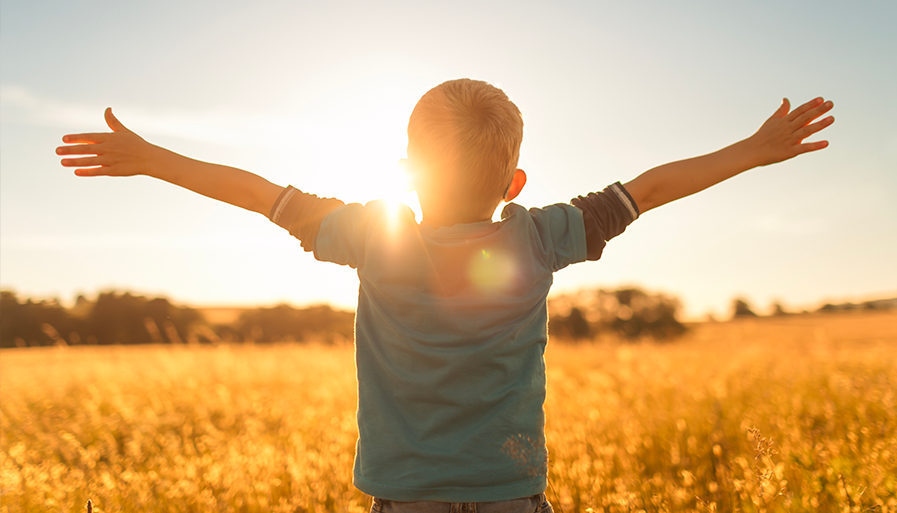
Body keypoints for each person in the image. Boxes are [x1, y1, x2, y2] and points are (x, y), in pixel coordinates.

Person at [57, 79, 834, 512]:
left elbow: (261, 194)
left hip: (406, 500)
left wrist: (152, 157)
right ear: (514, 183)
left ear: (406, 173)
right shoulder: (538, 238)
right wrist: (753, 151)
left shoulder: (372, 236)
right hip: (511, 492)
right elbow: (651, 189)